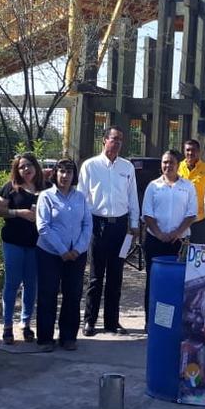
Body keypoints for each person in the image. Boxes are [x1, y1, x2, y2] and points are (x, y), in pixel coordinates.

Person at [77, 125, 139, 337]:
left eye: (120, 139)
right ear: (104, 140)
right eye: (114, 138)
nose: (117, 143)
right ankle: (89, 320)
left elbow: (132, 197)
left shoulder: (127, 167)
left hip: (120, 226)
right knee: (96, 276)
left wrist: (134, 224)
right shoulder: (90, 166)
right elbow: (82, 197)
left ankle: (112, 322)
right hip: (97, 224)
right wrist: (83, 225)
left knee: (116, 275)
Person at [36, 158, 92, 351]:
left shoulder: (80, 198)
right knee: (48, 295)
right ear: (55, 174)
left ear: (73, 175)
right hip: (50, 253)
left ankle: (68, 337)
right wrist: (62, 250)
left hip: (76, 255)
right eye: (61, 171)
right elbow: (43, 227)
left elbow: (87, 225)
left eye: (69, 172)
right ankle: (45, 339)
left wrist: (78, 249)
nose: (65, 176)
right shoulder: (46, 196)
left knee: (73, 295)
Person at [0, 153, 46, 345]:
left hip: (36, 245)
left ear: (36, 167)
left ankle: (26, 324)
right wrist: (18, 213)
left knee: (31, 284)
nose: (26, 169)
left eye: (29, 165)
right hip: (13, 243)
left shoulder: (45, 189)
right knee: (12, 283)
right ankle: (7, 326)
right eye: (22, 167)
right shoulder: (10, 187)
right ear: (17, 170)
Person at [142, 149, 197, 317]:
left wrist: (177, 233)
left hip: (178, 243)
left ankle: (174, 321)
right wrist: (159, 234)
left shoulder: (188, 186)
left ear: (178, 165)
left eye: (171, 162)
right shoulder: (153, 186)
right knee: (154, 281)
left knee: (176, 282)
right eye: (165, 162)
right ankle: (151, 320)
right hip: (155, 241)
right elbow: (147, 214)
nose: (168, 165)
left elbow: (191, 214)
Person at [177, 138, 205, 244]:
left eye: (193, 150)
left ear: (199, 152)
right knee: (178, 251)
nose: (190, 153)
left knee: (199, 251)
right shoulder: (177, 167)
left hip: (200, 220)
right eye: (187, 150)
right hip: (179, 219)